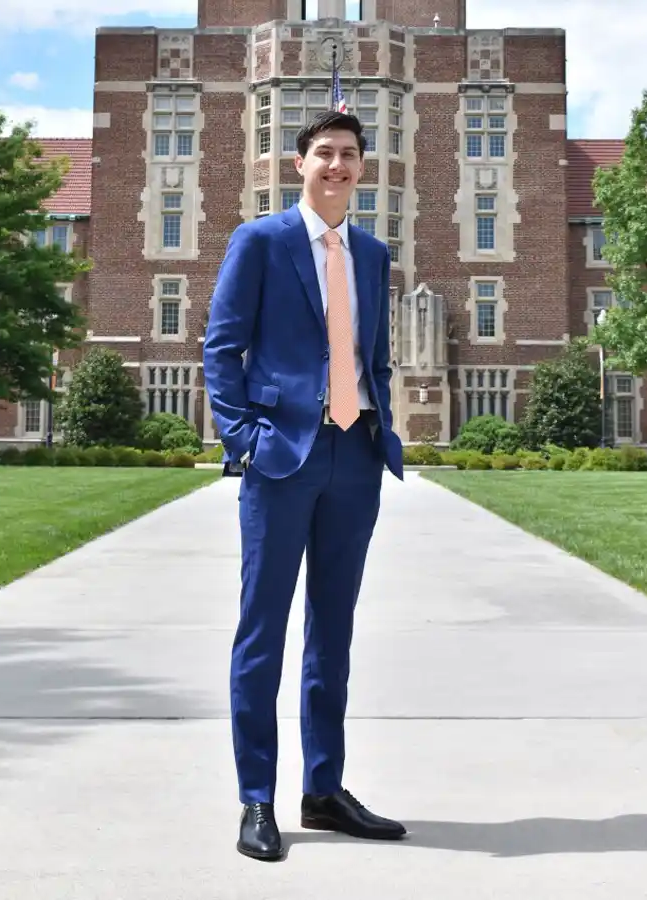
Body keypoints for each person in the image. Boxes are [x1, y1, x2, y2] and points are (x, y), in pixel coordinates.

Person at [202, 110, 406, 862]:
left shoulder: (375, 255)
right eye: (324, 153)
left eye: (349, 155)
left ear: (362, 167)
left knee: (334, 631)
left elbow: (373, 355)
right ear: (300, 164)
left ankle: (323, 790)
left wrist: (382, 427)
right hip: (280, 458)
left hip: (355, 459)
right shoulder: (260, 242)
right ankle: (257, 798)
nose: (337, 166)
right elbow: (221, 347)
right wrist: (245, 440)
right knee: (262, 631)